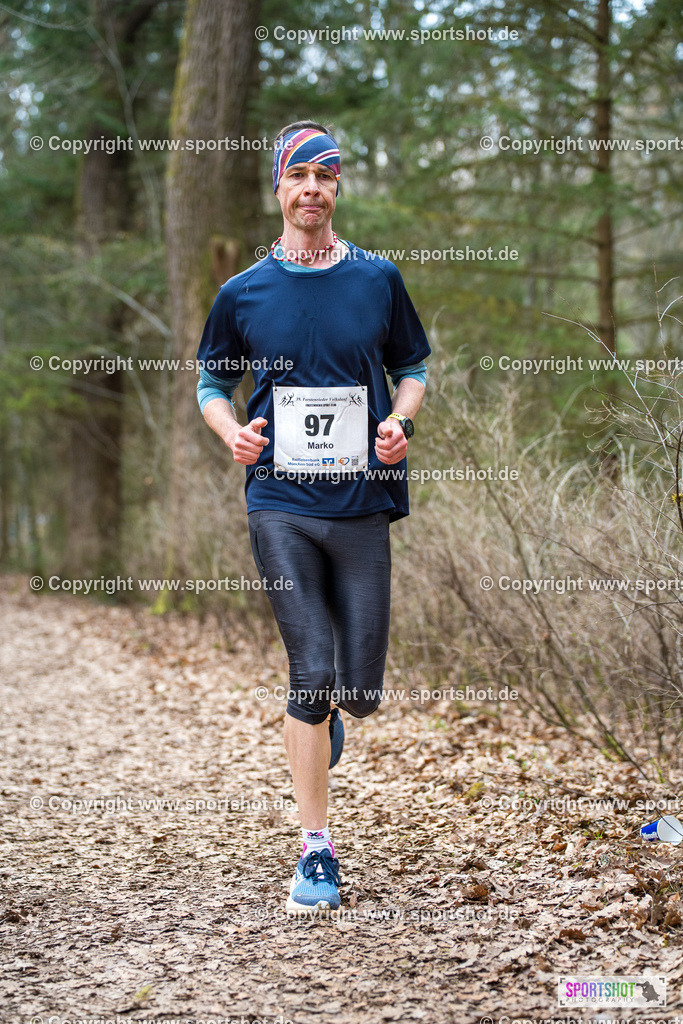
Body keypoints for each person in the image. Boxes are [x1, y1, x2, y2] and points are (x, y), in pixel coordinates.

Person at [196, 120, 430, 915]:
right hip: (280, 502)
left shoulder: (376, 278)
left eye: (325, 179)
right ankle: (316, 851)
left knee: (358, 692)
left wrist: (400, 423)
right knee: (312, 671)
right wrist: (235, 434)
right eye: (298, 178)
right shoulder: (243, 293)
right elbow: (208, 384)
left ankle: (327, 719)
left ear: (337, 190)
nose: (311, 192)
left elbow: (412, 368)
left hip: (361, 502)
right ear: (278, 189)